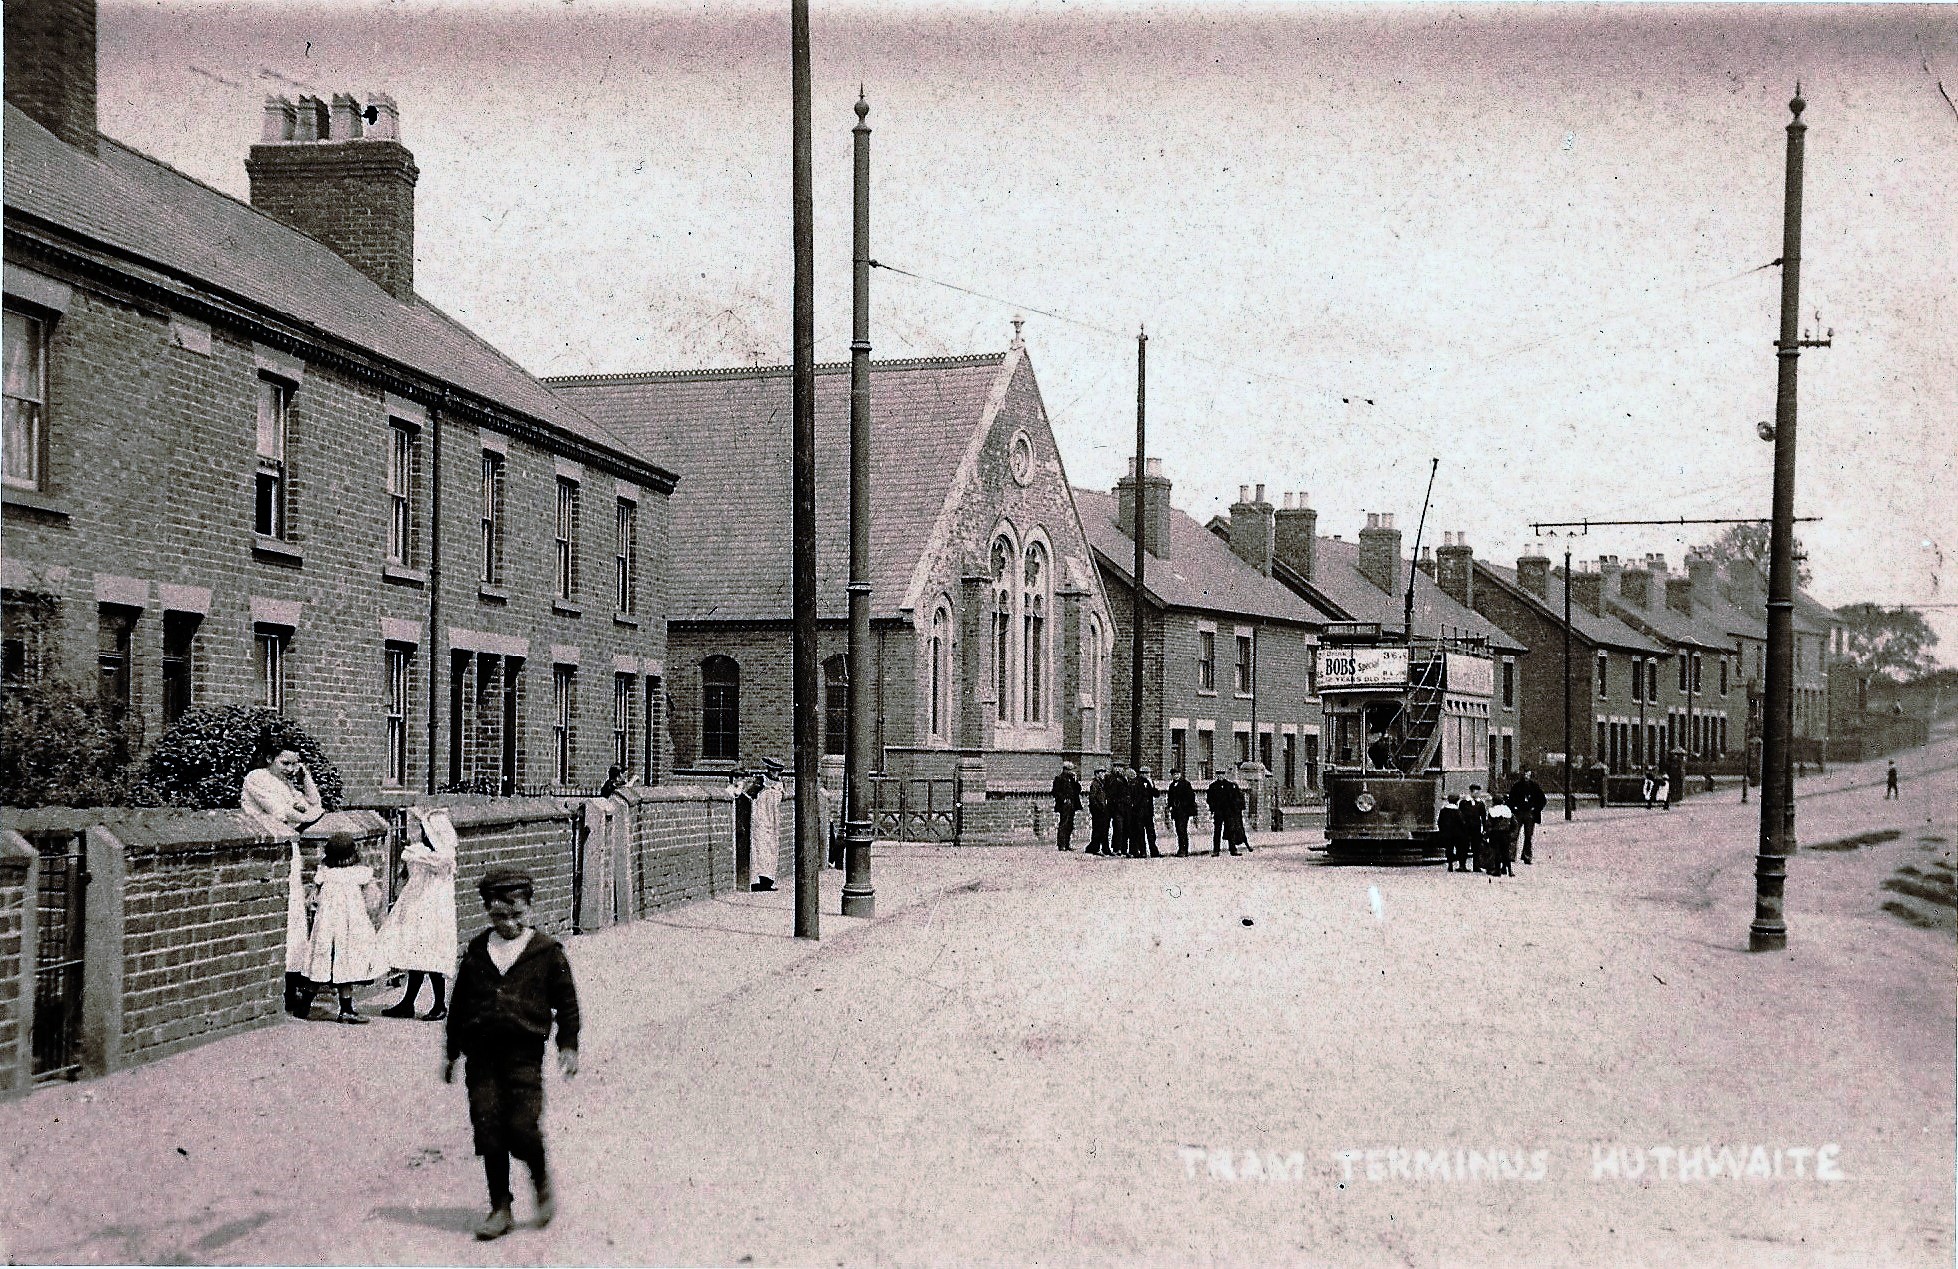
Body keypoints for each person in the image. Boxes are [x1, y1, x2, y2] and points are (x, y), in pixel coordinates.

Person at [444, 867, 581, 1241]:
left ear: (529, 909)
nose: (508, 923)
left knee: (521, 1127)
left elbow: (567, 1003)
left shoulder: (546, 952)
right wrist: (451, 1051)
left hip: (523, 1054)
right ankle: (500, 1206)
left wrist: (568, 1045)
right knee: (488, 1128)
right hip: (481, 1055)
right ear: (487, 911)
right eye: (499, 916)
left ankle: (540, 1179)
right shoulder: (477, 951)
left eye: (517, 915)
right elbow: (459, 1004)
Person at [240, 742, 326, 1017]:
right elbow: (283, 813)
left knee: (295, 921)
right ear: (269, 758)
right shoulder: (256, 779)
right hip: (265, 854)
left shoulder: (290, 787)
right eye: (285, 763)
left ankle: (290, 987)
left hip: (289, 851)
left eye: (295, 764)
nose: (291, 769)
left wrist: (307, 775)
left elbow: (316, 806)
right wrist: (304, 815)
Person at [380, 808, 459, 1021]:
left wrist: (419, 846)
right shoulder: (423, 852)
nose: (424, 835)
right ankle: (408, 1002)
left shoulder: (444, 858)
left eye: (428, 831)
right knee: (416, 952)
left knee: (431, 955)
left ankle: (440, 1004)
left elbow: (438, 861)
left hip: (434, 911)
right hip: (418, 906)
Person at [298, 831, 383, 1024]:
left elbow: (312, 901)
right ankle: (346, 1009)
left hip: (326, 927)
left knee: (320, 963)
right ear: (354, 854)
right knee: (344, 964)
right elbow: (373, 901)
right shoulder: (360, 874)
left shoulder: (324, 874)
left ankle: (304, 1005)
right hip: (349, 927)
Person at [745, 758, 785, 891]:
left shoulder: (780, 784)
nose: (776, 774)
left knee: (772, 849)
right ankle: (757, 881)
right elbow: (749, 795)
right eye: (773, 770)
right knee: (761, 849)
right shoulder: (761, 781)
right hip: (761, 820)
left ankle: (769, 880)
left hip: (773, 822)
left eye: (778, 771)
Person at [1505, 769, 1545, 865]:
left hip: (1529, 814)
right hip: (1518, 813)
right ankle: (1511, 855)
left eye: (1528, 774)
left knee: (1528, 835)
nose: (1526, 776)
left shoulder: (1535, 786)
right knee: (1514, 834)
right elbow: (1511, 798)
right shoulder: (1517, 786)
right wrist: (1514, 809)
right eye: (1525, 774)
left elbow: (1542, 799)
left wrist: (1535, 809)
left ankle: (1527, 856)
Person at [1051, 761, 1082, 852]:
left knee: (1070, 824)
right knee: (1064, 824)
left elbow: (1078, 790)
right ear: (1065, 770)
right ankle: (1061, 845)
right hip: (1064, 805)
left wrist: (1076, 781)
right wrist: (1063, 799)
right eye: (1070, 770)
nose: (1071, 772)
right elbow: (1055, 792)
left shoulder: (1071, 779)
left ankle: (1067, 844)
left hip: (1072, 804)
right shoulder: (1059, 778)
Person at [1206, 770, 1238, 856]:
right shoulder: (1213, 786)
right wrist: (1213, 808)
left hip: (1228, 812)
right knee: (1217, 831)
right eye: (1219, 774)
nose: (1221, 776)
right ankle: (1216, 850)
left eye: (1222, 774)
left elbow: (1234, 798)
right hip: (1218, 812)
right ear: (1217, 775)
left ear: (1225, 775)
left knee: (1231, 830)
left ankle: (1233, 849)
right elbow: (1209, 799)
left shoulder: (1230, 785)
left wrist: (1233, 809)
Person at [1166, 769, 1197, 856]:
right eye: (1174, 774)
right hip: (1176, 811)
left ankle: (1184, 850)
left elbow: (1191, 797)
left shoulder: (1185, 784)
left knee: (1182, 829)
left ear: (1180, 774)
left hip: (1184, 811)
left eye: (1177, 774)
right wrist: (1169, 806)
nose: (1175, 776)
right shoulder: (1172, 785)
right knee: (1178, 830)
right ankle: (1181, 849)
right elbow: (1170, 797)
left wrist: (1183, 805)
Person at [1134, 767, 1163, 858]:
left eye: (1148, 773)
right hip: (1139, 812)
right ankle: (1143, 851)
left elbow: (1156, 794)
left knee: (1151, 833)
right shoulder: (1137, 782)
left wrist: (1152, 785)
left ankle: (1154, 851)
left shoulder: (1150, 782)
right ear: (1141, 774)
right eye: (1145, 773)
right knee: (1140, 833)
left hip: (1148, 812)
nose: (1147, 775)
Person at [1485, 805, 1518, 877]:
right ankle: (1509, 870)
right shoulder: (1507, 811)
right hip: (1506, 834)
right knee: (1506, 852)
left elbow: (1488, 824)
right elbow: (1515, 824)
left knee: (1497, 852)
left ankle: (1497, 870)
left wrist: (1487, 834)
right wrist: (1511, 833)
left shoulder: (1492, 811)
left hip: (1495, 834)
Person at [1438, 794, 1467, 872]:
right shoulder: (1458, 811)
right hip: (1458, 834)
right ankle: (1461, 865)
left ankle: (1450, 865)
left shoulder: (1443, 810)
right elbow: (1462, 822)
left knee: (1449, 849)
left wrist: (1442, 831)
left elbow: (1440, 822)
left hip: (1447, 833)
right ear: (1457, 801)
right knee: (1460, 849)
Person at [1087, 767, 1112, 856]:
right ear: (1097, 774)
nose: (1103, 774)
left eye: (1104, 772)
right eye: (1101, 772)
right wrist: (1098, 808)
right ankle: (1095, 848)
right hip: (1098, 811)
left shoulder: (1103, 783)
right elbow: (1092, 798)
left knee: (1104, 830)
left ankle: (1104, 848)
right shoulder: (1095, 784)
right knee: (1098, 829)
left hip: (1103, 810)